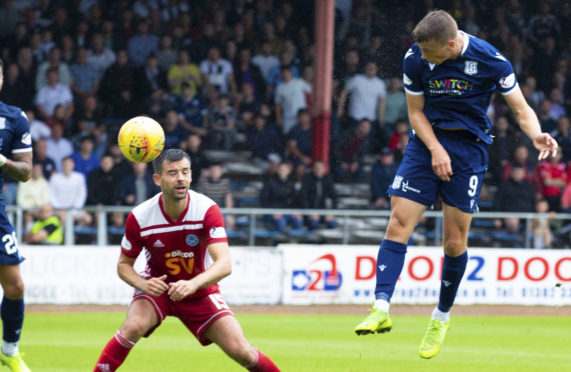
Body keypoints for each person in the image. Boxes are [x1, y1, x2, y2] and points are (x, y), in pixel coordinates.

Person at [353, 11, 558, 360]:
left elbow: (521, 108)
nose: (424, 57)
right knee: (398, 223)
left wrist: (536, 133)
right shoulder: (415, 56)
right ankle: (381, 307)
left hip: (469, 150)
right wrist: (435, 149)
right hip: (426, 143)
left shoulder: (492, 60)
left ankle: (440, 317)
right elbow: (415, 112)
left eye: (430, 52)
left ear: (450, 44)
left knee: (453, 241)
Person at [93, 149, 279, 372]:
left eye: (185, 172)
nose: (180, 178)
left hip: (198, 290)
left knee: (241, 350)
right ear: (157, 179)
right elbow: (123, 265)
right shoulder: (140, 216)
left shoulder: (206, 209)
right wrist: (143, 284)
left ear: (191, 176)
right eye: (172, 173)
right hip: (157, 287)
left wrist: (192, 284)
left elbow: (224, 264)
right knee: (133, 326)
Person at [0, 59, 33, 371]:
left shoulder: (13, 117)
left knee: (15, 286)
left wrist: (2, 162)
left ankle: (9, 350)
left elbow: (25, 171)